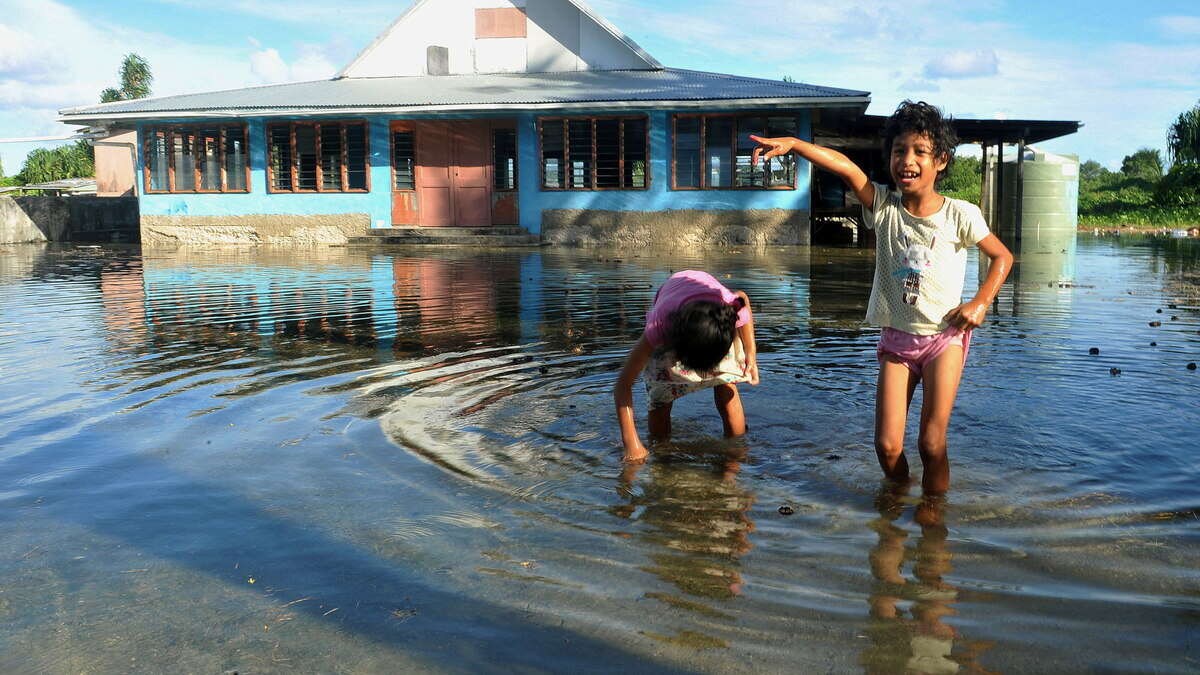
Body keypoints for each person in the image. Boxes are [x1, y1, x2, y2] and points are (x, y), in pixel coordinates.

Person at [751, 100, 1012, 494]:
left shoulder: (961, 214)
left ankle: (933, 517)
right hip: (897, 340)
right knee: (887, 446)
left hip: (945, 338)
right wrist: (796, 144)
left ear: (940, 160)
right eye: (898, 151)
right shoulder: (884, 207)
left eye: (920, 152)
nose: (907, 160)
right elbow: (845, 168)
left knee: (930, 442)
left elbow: (1001, 257)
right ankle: (898, 496)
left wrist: (980, 303)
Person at [614, 270, 759, 463]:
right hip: (677, 327)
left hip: (711, 323)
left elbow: (742, 299)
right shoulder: (659, 326)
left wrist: (751, 355)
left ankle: (737, 448)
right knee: (660, 398)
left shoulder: (727, 309)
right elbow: (623, 385)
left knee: (727, 382)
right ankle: (663, 454)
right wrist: (632, 444)